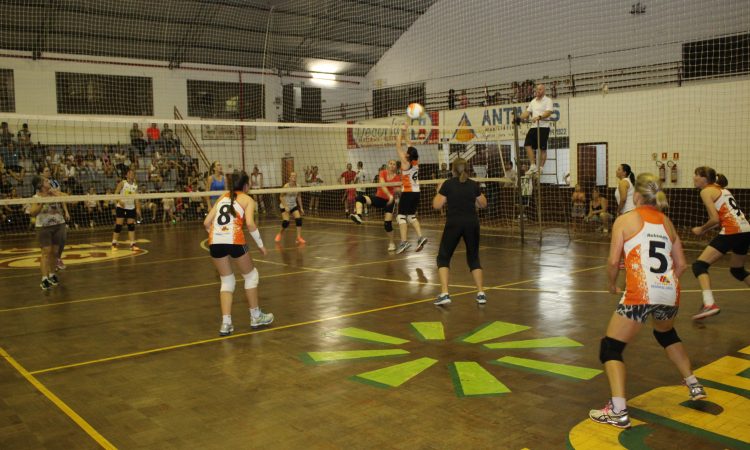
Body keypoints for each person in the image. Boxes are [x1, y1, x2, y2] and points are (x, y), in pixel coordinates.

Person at [589, 173, 706, 430]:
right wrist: (663, 281)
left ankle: (618, 411)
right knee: (667, 335)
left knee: (610, 348)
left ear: (637, 196)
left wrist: (611, 283)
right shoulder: (667, 222)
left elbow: (611, 262)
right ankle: (694, 384)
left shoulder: (625, 219)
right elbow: (682, 264)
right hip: (670, 292)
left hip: (641, 292)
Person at [204, 171, 273, 336]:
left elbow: (206, 223)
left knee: (227, 281)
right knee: (251, 276)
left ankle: (226, 324)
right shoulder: (248, 199)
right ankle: (256, 316)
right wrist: (261, 246)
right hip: (234, 240)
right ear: (246, 185)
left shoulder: (222, 197)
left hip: (215, 242)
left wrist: (218, 236)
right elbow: (250, 224)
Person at [690, 167, 750, 320]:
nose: (694, 177)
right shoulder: (721, 189)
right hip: (745, 230)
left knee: (699, 265)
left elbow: (715, 219)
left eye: (696, 175)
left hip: (733, 230)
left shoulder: (706, 191)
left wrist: (701, 230)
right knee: (737, 270)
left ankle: (709, 304)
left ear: (704, 178)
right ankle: (708, 304)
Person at [432, 159, 488, 306]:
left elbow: (437, 205)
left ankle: (445, 293)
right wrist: (473, 200)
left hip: (454, 224)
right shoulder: (472, 184)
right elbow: (483, 204)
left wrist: (438, 191)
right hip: (471, 223)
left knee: (443, 257)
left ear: (453, 170)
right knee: (473, 257)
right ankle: (481, 293)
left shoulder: (448, 184)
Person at [27, 176, 69, 290]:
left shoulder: (54, 192)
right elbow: (32, 213)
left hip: (58, 225)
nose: (49, 181)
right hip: (44, 227)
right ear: (40, 185)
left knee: (55, 252)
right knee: (46, 252)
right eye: (46, 181)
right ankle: (44, 278)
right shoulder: (36, 197)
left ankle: (52, 274)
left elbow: (70, 198)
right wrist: (42, 203)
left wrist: (57, 194)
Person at [350, 159, 400, 251]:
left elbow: (397, 190)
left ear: (396, 167)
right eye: (390, 163)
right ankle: (358, 216)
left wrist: (401, 190)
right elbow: (383, 184)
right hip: (379, 199)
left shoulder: (397, 177)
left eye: (394, 164)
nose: (392, 165)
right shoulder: (382, 173)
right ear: (388, 165)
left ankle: (392, 243)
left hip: (389, 201)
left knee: (387, 224)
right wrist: (389, 195)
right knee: (359, 198)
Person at [395, 122, 427, 254]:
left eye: (406, 152)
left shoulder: (405, 162)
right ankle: (420, 237)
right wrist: (405, 132)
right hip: (416, 192)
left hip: (408, 192)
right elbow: (410, 145)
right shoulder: (415, 160)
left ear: (408, 155)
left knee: (401, 217)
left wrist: (400, 131)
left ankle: (404, 242)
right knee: (411, 216)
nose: (405, 152)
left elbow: (398, 145)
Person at [518, 84, 554, 175]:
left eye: (540, 89)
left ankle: (541, 167)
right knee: (527, 144)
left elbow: (549, 112)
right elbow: (527, 112)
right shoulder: (533, 101)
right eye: (537, 89)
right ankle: (533, 165)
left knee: (542, 148)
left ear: (544, 91)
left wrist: (539, 117)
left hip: (543, 127)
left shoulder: (548, 100)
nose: (538, 91)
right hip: (534, 127)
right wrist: (519, 118)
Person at [112, 169, 142, 251]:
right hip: (121, 207)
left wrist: (138, 208)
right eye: (130, 173)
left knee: (131, 226)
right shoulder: (122, 183)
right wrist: (119, 201)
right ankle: (114, 243)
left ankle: (132, 244)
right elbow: (115, 193)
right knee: (119, 226)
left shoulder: (135, 185)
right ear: (126, 175)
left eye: (133, 173)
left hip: (131, 207)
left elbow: (136, 198)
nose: (132, 174)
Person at [274, 171, 305, 245]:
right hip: (285, 205)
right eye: (292, 176)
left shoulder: (298, 186)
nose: (294, 177)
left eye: (295, 176)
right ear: (290, 178)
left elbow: (299, 197)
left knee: (299, 219)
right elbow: (281, 197)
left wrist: (301, 208)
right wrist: (285, 206)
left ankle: (298, 237)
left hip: (293, 205)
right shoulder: (286, 186)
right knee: (286, 222)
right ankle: (280, 234)